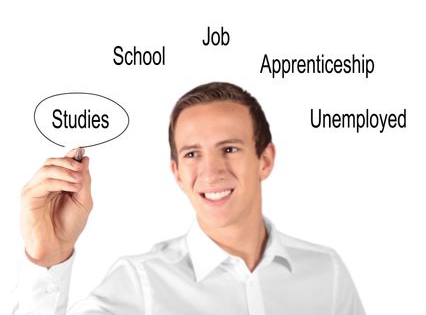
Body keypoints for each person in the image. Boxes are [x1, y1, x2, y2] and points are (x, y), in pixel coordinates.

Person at [12, 82, 365, 314]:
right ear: (177, 172)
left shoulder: (326, 273)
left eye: (229, 148)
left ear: (265, 159)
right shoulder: (141, 284)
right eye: (193, 154)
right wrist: (48, 257)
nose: (211, 172)